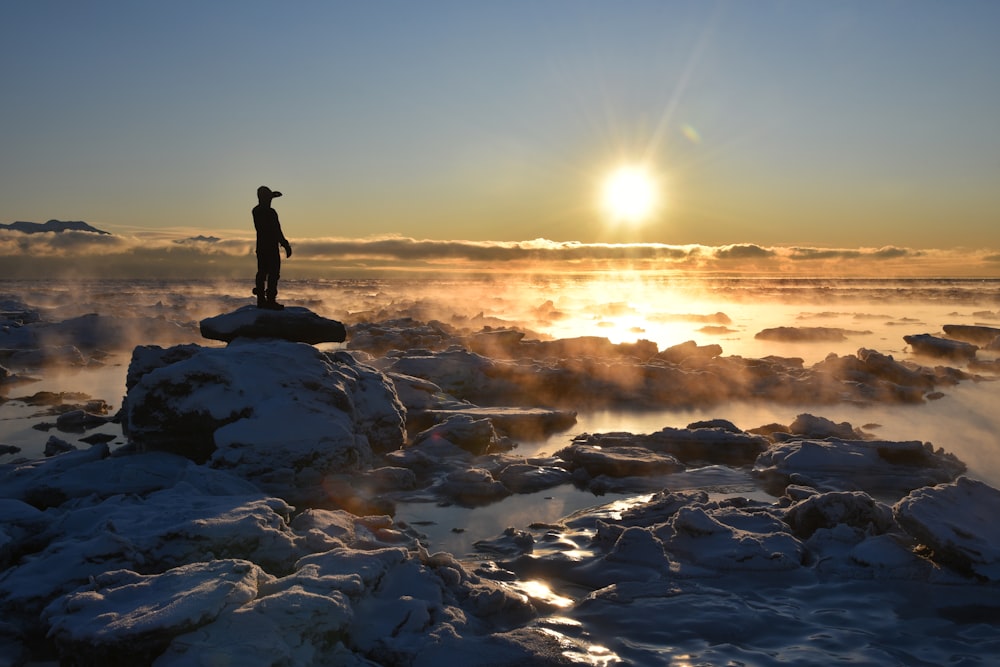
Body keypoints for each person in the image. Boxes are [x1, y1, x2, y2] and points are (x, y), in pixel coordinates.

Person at [252, 185, 292, 309]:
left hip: (261, 247)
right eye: (268, 198)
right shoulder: (269, 212)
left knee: (263, 272)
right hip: (270, 247)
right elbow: (276, 230)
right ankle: (269, 300)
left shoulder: (256, 211)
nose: (270, 201)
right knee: (273, 273)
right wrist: (285, 244)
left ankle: (262, 300)